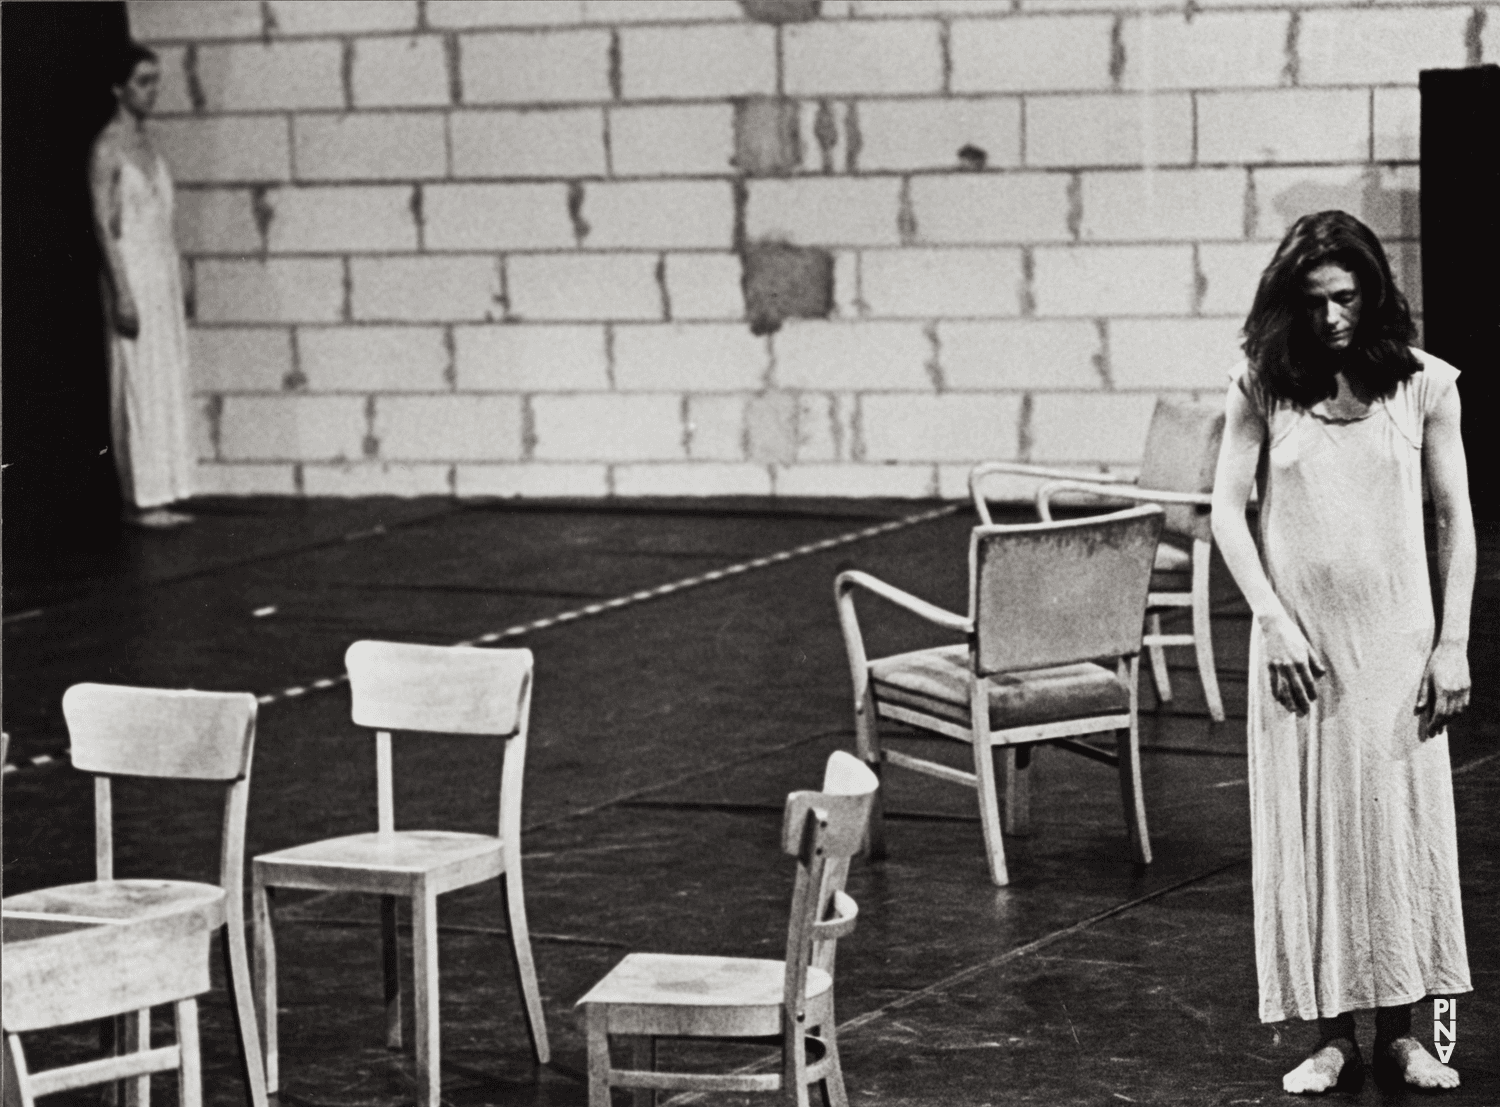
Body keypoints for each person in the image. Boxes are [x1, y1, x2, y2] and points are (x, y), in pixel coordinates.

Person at [1211, 210, 1473, 1094]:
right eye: (1316, 301)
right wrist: (1273, 621)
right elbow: (1225, 513)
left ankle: (1400, 1030)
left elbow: (1456, 523)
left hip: (1398, 648)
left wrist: (1454, 642)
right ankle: (1329, 1035)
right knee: (1311, 831)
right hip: (1303, 651)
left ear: (1375, 292)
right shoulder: (1261, 388)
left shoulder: (1426, 387)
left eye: (1348, 297)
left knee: (1394, 832)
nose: (1333, 318)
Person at [88, 42, 194, 527]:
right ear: (118, 88)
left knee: (164, 377)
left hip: (162, 272)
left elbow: (163, 221)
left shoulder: (150, 145)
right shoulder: (107, 149)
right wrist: (123, 291)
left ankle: (166, 487)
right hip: (132, 273)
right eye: (143, 82)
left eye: (156, 82)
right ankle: (142, 496)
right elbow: (103, 225)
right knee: (136, 378)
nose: (153, 92)